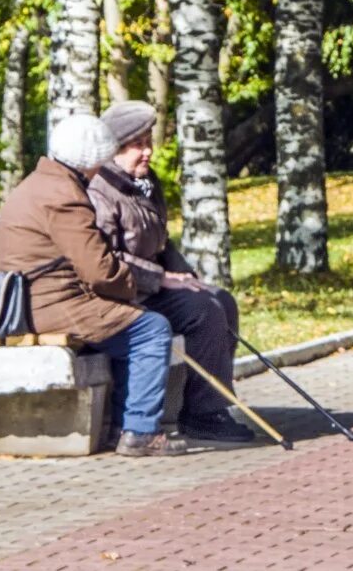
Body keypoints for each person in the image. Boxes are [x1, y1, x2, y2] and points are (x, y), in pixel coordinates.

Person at [0, 114, 187, 458]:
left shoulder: (37, 183)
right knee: (152, 330)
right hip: (54, 305)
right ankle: (140, 431)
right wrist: (133, 290)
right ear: (90, 159)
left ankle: (119, 428)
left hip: (31, 299)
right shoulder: (65, 196)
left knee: (132, 325)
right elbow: (99, 270)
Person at [89, 100, 254, 443]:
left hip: (152, 287)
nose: (148, 152)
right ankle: (203, 414)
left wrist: (186, 277)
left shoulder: (146, 184)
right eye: (138, 145)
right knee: (203, 312)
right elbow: (107, 257)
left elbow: (160, 242)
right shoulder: (100, 192)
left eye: (149, 142)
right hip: (124, 292)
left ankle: (211, 402)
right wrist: (159, 278)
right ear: (114, 150)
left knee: (220, 299)